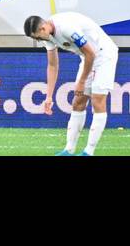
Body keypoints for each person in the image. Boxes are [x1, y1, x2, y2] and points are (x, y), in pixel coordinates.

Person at [25, 11, 119, 156]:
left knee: (97, 100)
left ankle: (89, 152)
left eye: (37, 37)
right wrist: (49, 97)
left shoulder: (66, 27)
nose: (38, 41)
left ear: (42, 28)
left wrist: (81, 82)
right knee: (78, 101)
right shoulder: (47, 36)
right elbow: (52, 65)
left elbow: (91, 53)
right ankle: (69, 150)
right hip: (87, 57)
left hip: (104, 54)